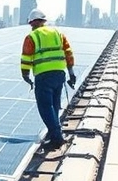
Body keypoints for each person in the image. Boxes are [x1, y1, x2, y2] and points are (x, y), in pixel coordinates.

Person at [20, 9, 76, 149]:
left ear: (33, 22)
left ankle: (57, 138)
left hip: (44, 76)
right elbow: (68, 53)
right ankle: (54, 132)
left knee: (45, 107)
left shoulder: (32, 36)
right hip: (59, 75)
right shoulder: (58, 34)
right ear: (44, 21)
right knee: (55, 106)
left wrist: (25, 75)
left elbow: (26, 58)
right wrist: (71, 72)